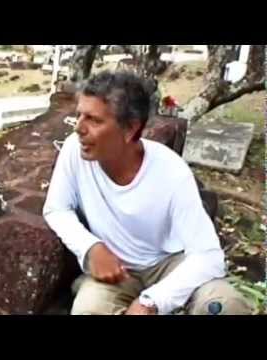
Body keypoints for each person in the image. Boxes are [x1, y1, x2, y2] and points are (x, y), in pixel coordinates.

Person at [43, 71, 253, 315]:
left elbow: (208, 256)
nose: (79, 128)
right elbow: (56, 209)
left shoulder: (171, 172)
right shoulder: (74, 151)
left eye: (94, 120)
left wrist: (152, 302)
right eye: (79, 115)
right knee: (87, 309)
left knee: (225, 305)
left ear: (130, 129)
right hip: (118, 270)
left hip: (171, 264)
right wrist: (90, 247)